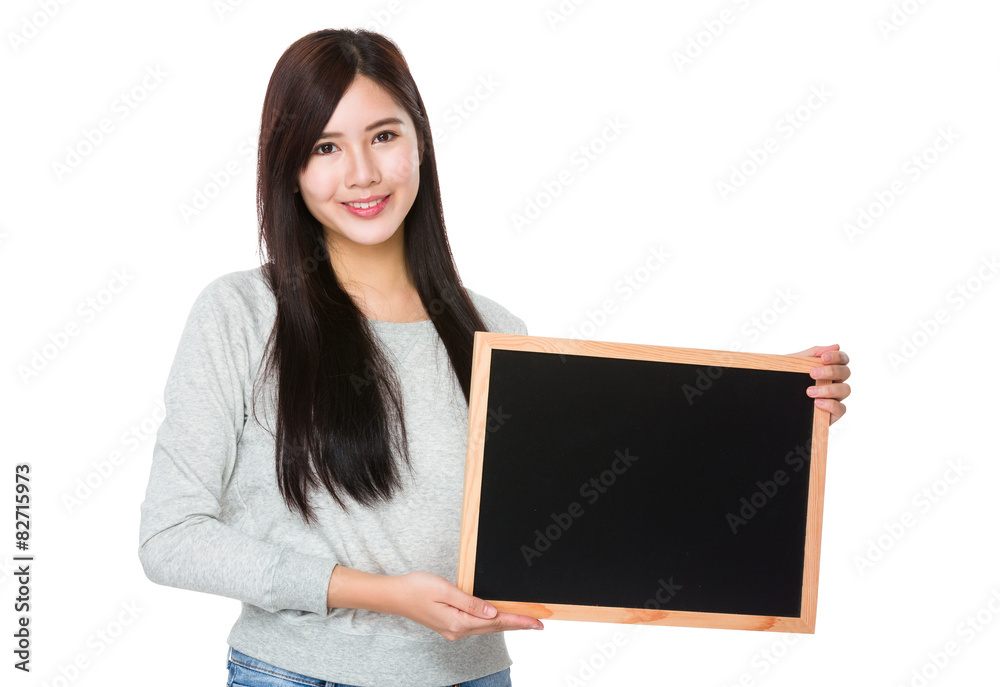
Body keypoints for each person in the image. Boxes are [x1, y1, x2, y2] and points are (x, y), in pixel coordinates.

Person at [137, 28, 852, 687]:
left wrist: (767, 405)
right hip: (301, 676)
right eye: (326, 147)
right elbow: (171, 537)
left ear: (420, 142)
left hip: (474, 677)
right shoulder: (241, 314)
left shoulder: (495, 333)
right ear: (289, 167)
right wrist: (381, 594)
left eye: (383, 135)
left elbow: (605, 486)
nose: (362, 172)